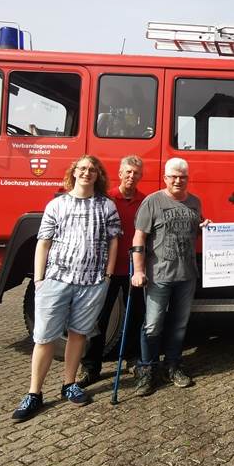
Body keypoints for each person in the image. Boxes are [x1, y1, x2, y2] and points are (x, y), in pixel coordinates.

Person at [11, 155, 121, 422]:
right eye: (82, 169)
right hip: (56, 281)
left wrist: (106, 276)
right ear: (74, 173)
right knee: (45, 338)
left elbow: (114, 242)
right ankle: (34, 393)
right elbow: (43, 243)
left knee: (78, 335)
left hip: (92, 283)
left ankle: (69, 384)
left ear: (98, 175)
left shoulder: (106, 206)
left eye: (92, 170)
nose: (87, 173)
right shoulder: (57, 205)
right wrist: (39, 280)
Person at [131, 158, 208, 396]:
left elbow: (195, 230)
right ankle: (147, 369)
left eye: (182, 176)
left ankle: (173, 366)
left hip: (187, 275)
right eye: (173, 176)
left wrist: (206, 227)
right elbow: (139, 238)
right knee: (153, 325)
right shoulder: (152, 202)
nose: (177, 180)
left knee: (178, 325)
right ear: (165, 178)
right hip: (158, 275)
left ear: (188, 178)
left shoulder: (194, 202)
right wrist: (139, 270)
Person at [78, 155, 146, 388]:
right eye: (127, 172)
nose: (131, 176)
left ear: (140, 176)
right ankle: (90, 367)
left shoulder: (145, 202)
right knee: (99, 319)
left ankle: (132, 360)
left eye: (136, 173)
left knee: (135, 318)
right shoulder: (106, 200)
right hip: (106, 270)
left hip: (134, 270)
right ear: (119, 174)